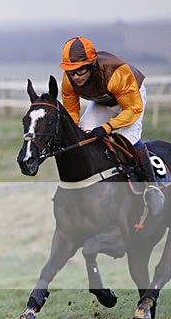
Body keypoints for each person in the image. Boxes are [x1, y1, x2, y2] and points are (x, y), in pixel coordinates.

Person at [60, 37, 164, 215]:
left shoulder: (116, 72)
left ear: (92, 64)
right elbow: (71, 113)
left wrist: (108, 127)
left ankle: (152, 187)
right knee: (85, 132)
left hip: (131, 99)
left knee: (127, 139)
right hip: (103, 100)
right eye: (71, 72)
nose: (75, 76)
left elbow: (133, 109)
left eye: (80, 70)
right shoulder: (69, 79)